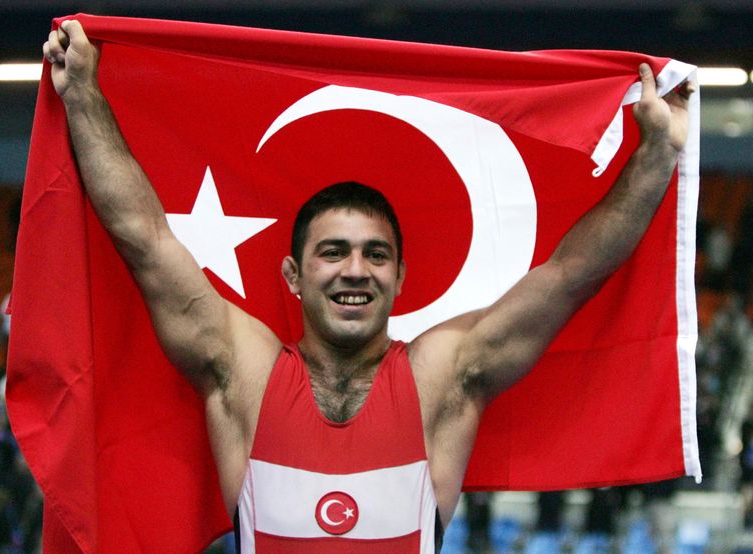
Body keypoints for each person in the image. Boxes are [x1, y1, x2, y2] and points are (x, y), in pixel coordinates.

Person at [43, 19, 694, 552]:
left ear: (400, 276)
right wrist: (84, 99)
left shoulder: (445, 374)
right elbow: (146, 239)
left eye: (375, 255)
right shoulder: (243, 370)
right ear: (294, 276)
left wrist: (656, 156)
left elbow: (571, 275)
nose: (355, 270)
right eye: (333, 253)